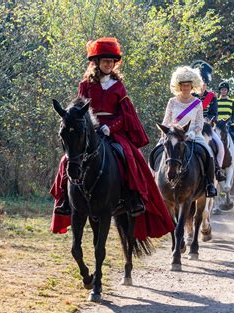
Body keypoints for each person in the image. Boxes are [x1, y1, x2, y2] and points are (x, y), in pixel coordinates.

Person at [50, 37, 174, 239]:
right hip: (87, 131)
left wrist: (109, 127)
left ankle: (133, 198)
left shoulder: (118, 87)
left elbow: (125, 115)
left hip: (112, 131)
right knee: (67, 159)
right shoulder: (85, 85)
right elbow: (78, 110)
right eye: (104, 61)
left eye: (111, 62)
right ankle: (64, 199)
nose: (108, 64)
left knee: (129, 156)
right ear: (96, 63)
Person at [161, 66, 218, 197]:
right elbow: (165, 121)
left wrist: (192, 132)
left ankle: (209, 185)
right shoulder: (172, 101)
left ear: (192, 86)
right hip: (173, 136)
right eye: (183, 85)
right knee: (157, 152)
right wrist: (167, 134)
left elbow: (199, 123)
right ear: (179, 86)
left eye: (188, 85)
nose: (185, 88)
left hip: (192, 135)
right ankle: (153, 181)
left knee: (208, 153)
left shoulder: (197, 102)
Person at [191, 60, 225, 181]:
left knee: (220, 146)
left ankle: (218, 169)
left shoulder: (211, 97)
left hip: (206, 126)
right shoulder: (191, 96)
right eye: (201, 83)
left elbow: (214, 113)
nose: (202, 86)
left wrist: (208, 120)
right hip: (191, 125)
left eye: (204, 83)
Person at [217, 81, 234, 164]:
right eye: (222, 90)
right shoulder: (216, 101)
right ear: (220, 91)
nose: (223, 91)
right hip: (218, 125)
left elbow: (233, 115)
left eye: (225, 90)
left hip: (229, 124)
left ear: (227, 91)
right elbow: (215, 113)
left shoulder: (231, 102)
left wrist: (230, 121)